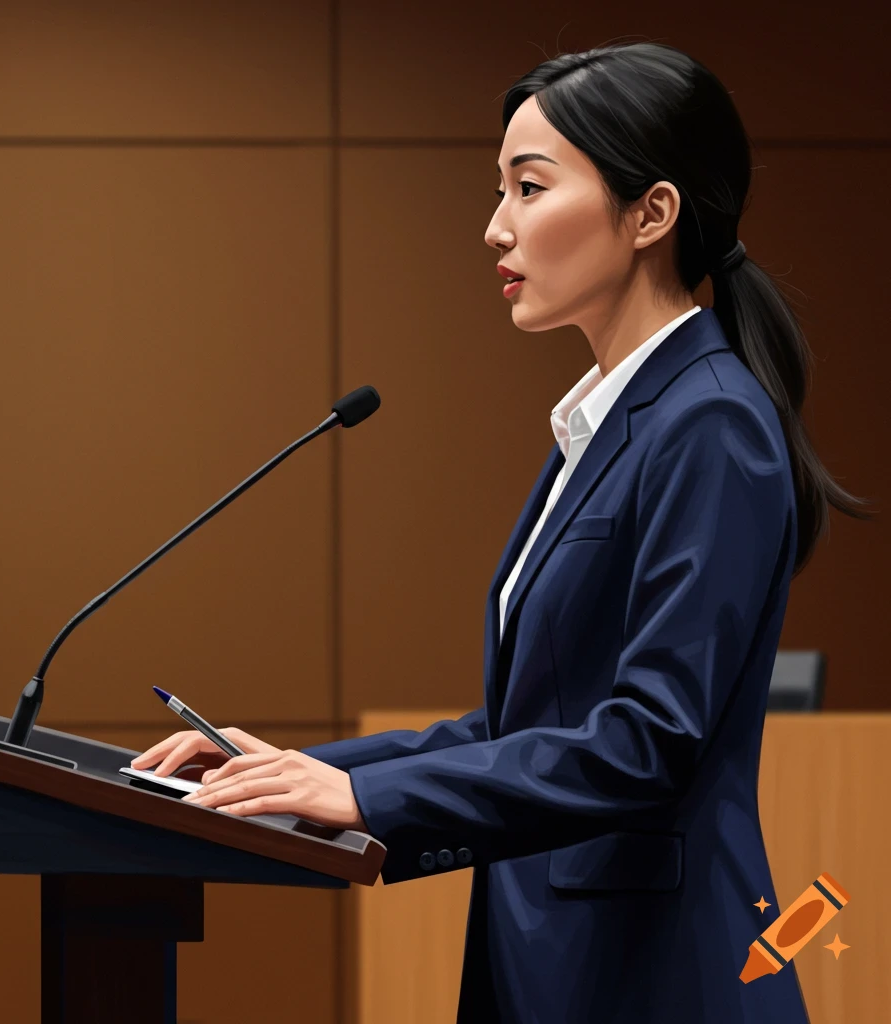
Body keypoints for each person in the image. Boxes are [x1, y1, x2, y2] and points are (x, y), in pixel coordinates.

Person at [131, 41, 872, 1023]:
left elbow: (648, 743)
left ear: (651, 213)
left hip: (652, 978)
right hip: (559, 961)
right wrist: (308, 772)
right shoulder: (610, 419)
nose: (494, 228)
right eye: (499, 190)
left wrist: (367, 801)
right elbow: (535, 725)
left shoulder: (710, 422)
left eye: (528, 187)